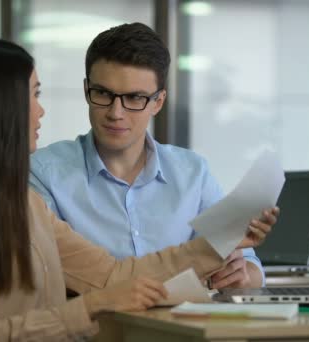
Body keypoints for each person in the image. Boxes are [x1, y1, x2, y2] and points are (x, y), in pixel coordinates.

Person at [0, 37, 261, 342]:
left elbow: (112, 277)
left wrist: (218, 243)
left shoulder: (21, 203)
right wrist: (93, 306)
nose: (41, 112)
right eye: (34, 94)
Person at [30, 22, 279, 289]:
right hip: (96, 328)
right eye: (103, 93)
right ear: (86, 90)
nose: (116, 112)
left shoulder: (193, 173)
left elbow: (244, 258)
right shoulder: (44, 173)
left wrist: (244, 274)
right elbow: (59, 278)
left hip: (184, 327)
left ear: (158, 102)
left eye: (135, 98)